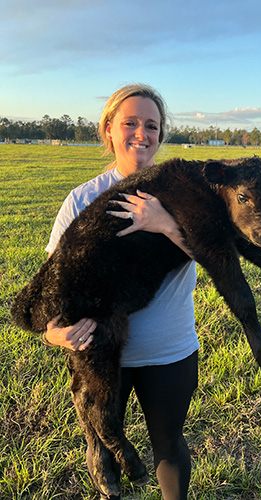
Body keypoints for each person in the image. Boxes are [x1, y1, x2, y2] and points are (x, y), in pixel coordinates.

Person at [43, 84, 199, 500]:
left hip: (171, 351)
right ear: (108, 129)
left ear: (161, 135)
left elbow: (217, 257)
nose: (141, 134)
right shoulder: (81, 201)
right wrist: (53, 334)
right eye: (129, 122)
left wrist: (164, 223)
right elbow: (51, 289)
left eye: (152, 125)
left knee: (169, 446)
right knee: (103, 448)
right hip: (99, 357)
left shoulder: (186, 198)